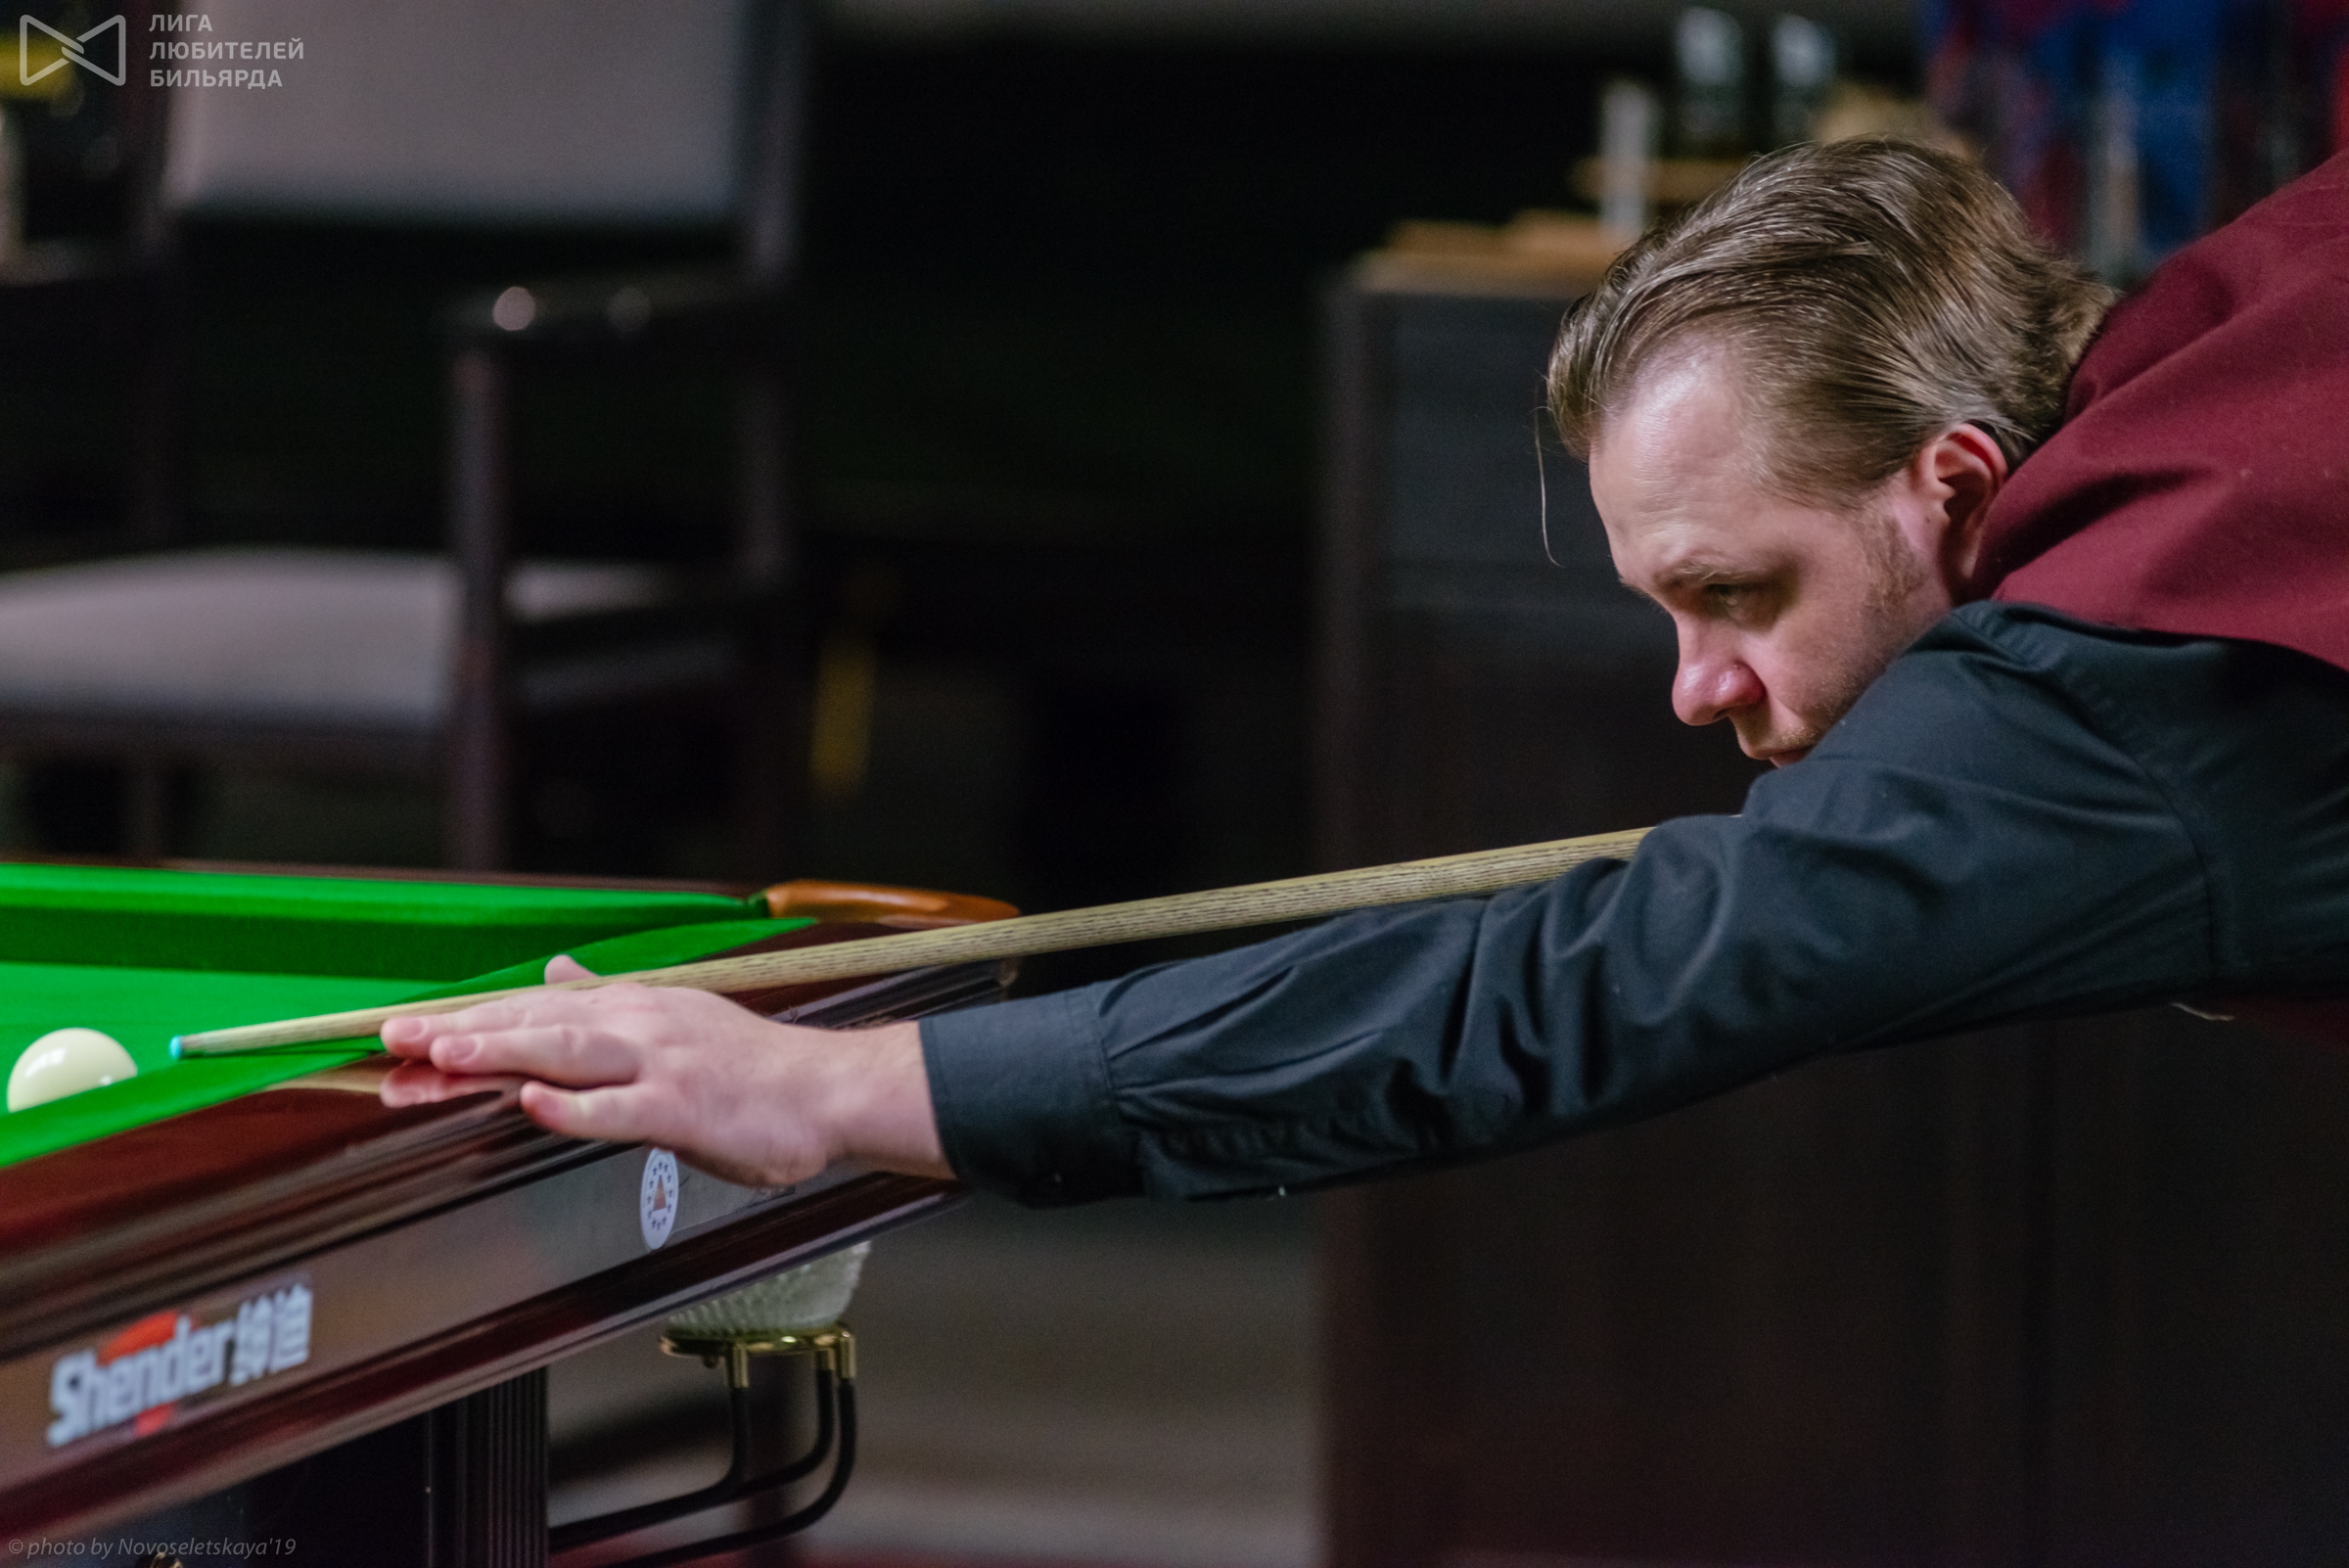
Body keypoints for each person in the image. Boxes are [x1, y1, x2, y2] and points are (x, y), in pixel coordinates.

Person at [380, 140, 2349, 1207]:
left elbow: (1570, 991)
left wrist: (831, 1086)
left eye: (1737, 590)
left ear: (1957, 487)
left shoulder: (2125, 684)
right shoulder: (2270, 301)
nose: (1695, 689)